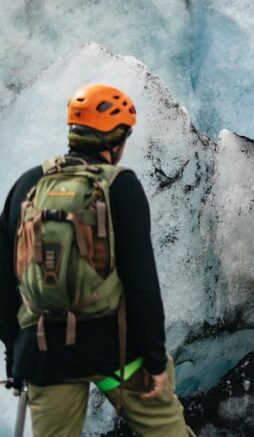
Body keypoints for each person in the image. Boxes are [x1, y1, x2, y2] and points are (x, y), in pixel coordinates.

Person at [0, 84, 194, 436]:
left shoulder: (27, 184)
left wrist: (16, 355)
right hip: (117, 350)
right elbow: (141, 283)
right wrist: (154, 359)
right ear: (117, 141)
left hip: (45, 353)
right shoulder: (119, 186)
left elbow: (3, 281)